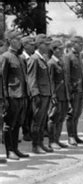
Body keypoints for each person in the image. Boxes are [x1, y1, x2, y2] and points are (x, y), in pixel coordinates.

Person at [2, 30, 30, 159]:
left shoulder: (20, 57)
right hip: (11, 95)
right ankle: (9, 151)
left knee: (18, 123)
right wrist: (4, 98)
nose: (20, 42)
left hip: (21, 95)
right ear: (10, 41)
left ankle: (15, 149)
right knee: (9, 123)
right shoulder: (5, 57)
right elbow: (2, 79)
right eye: (18, 40)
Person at [27, 34, 53, 154]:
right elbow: (32, 79)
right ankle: (35, 145)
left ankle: (41, 143)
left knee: (42, 121)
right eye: (45, 44)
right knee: (37, 121)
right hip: (39, 95)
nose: (48, 47)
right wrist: (35, 94)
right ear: (39, 44)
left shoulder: (44, 58)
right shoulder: (34, 59)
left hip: (46, 94)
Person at [47, 39, 69, 149]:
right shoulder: (51, 63)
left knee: (61, 118)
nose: (62, 51)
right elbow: (50, 81)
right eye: (60, 49)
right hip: (56, 95)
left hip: (63, 95)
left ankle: (57, 139)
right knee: (53, 118)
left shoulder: (61, 62)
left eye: (63, 49)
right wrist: (53, 95)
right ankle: (51, 141)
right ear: (54, 50)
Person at [64, 35, 83, 146]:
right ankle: (70, 136)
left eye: (82, 43)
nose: (82, 45)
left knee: (77, 113)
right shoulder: (68, 57)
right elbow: (67, 76)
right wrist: (68, 92)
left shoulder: (80, 56)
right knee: (71, 114)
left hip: (80, 89)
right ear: (73, 44)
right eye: (79, 43)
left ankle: (75, 135)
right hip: (73, 90)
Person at [20, 36, 35, 142]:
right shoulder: (22, 58)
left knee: (31, 111)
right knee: (25, 112)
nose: (33, 46)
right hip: (24, 89)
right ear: (24, 45)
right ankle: (26, 132)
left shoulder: (32, 57)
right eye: (31, 44)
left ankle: (29, 130)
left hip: (31, 88)